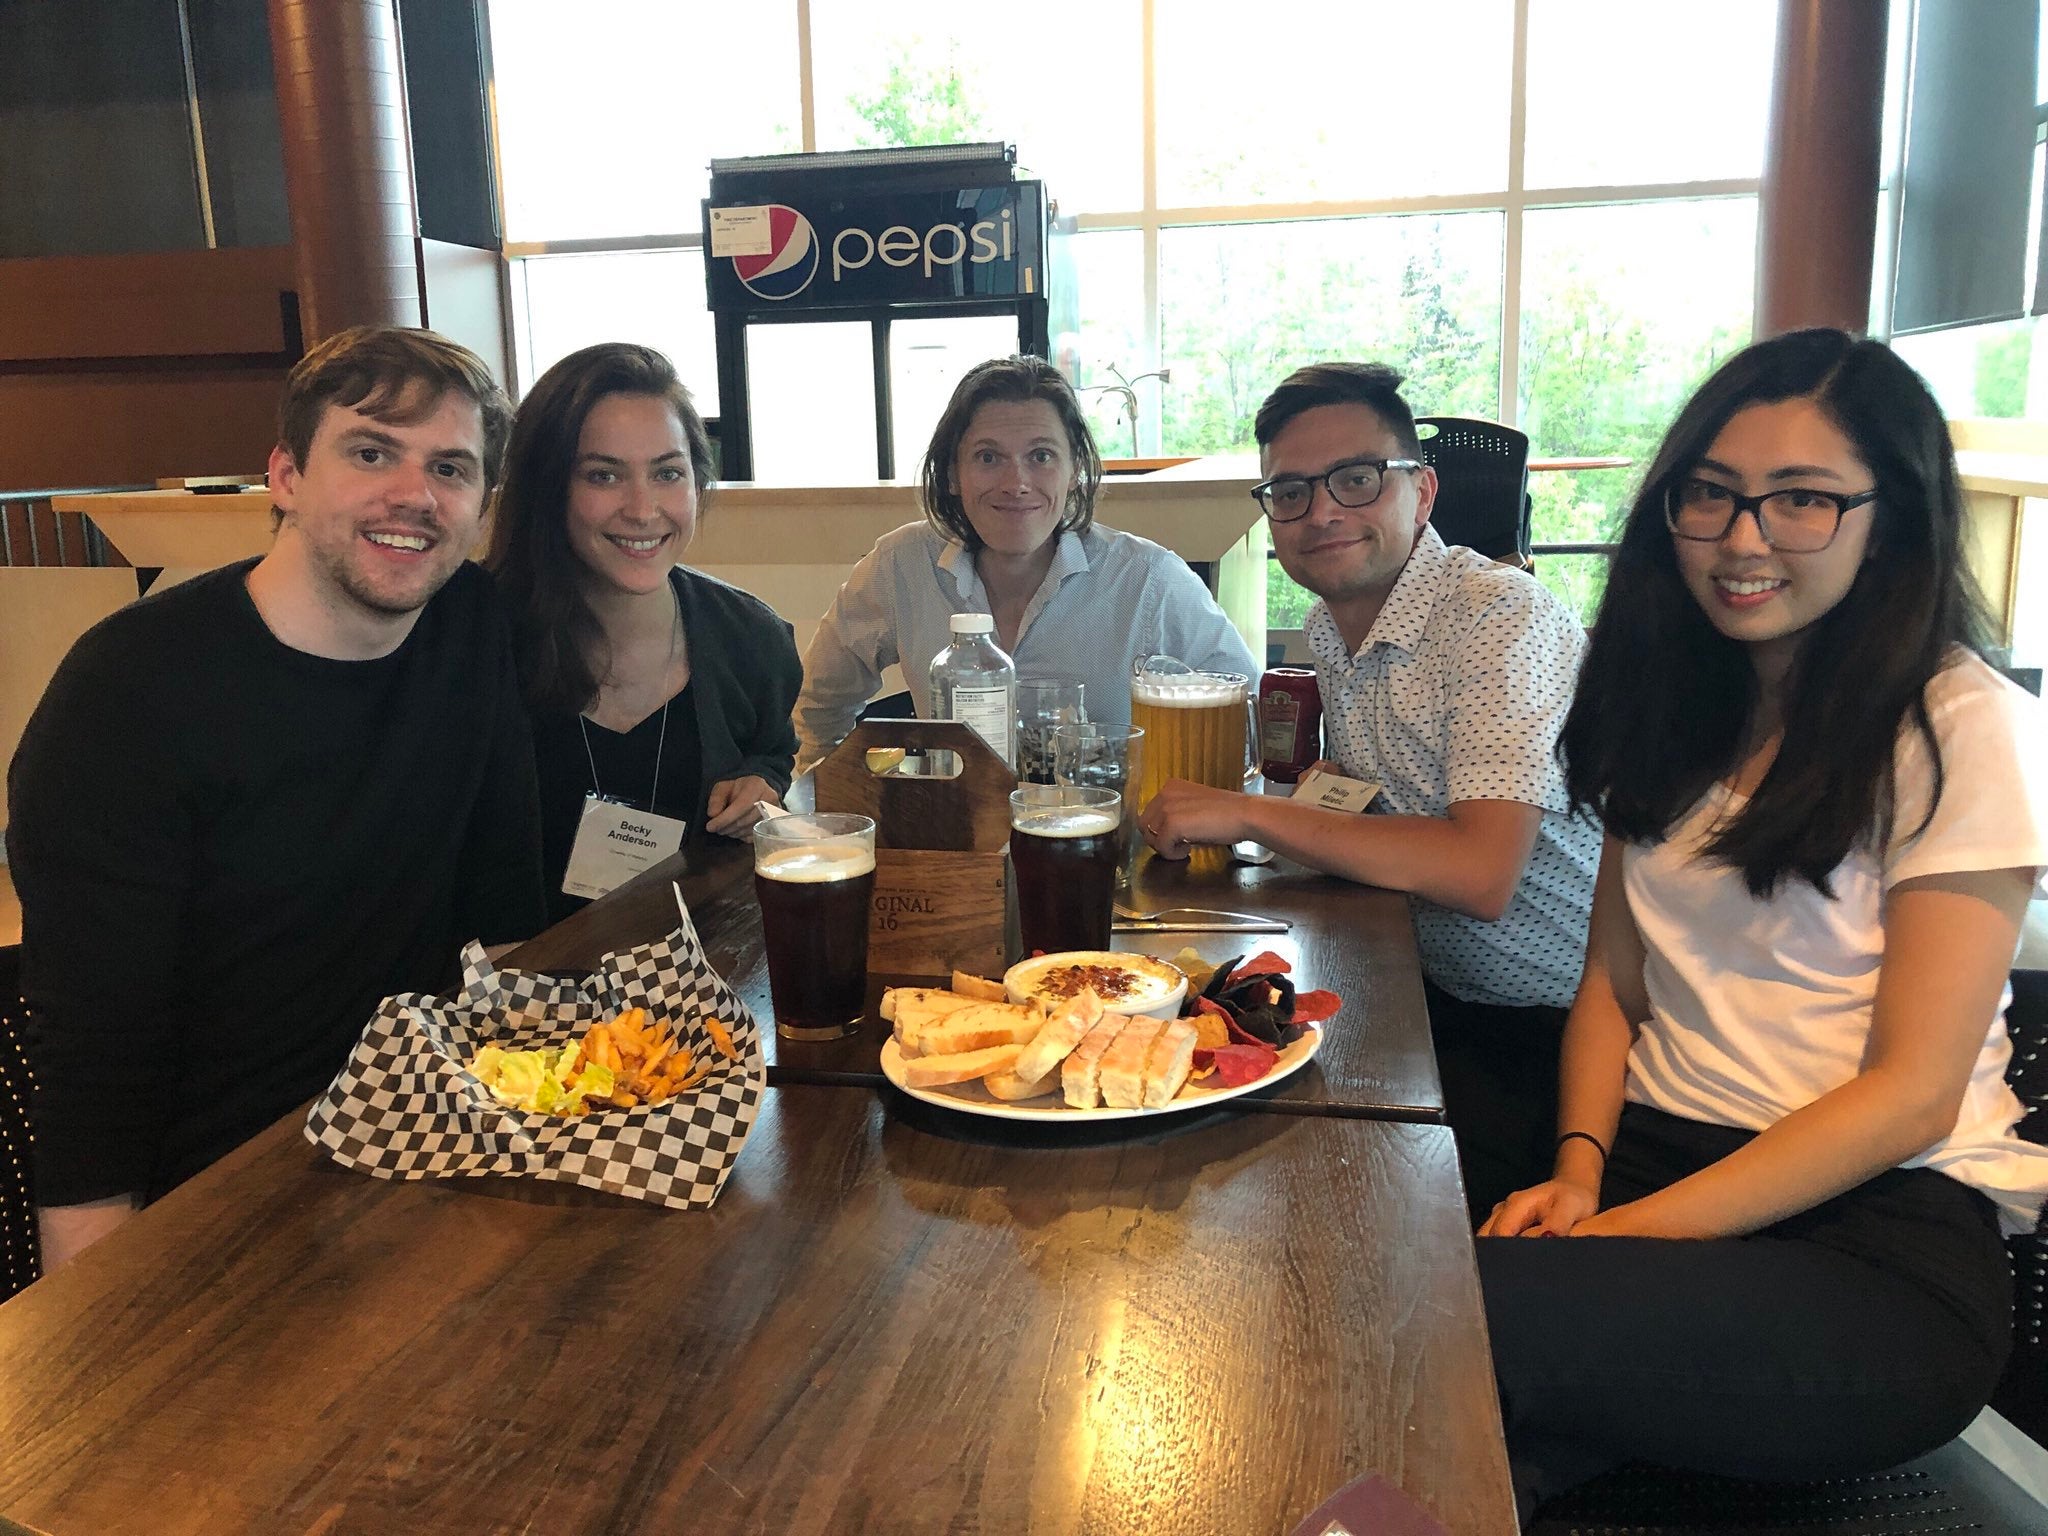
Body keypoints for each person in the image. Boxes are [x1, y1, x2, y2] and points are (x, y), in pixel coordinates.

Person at [1475, 329, 2048, 1521]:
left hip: (1871, 1242)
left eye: (1800, 501)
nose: (1742, 540)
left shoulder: (1955, 723)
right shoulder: (1668, 702)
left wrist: (1619, 1239)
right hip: (1648, 1165)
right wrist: (1580, 1172)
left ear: (1885, 517)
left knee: (1442, 1319)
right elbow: (1610, 990)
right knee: (1439, 1429)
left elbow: (1909, 1096)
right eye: (1712, 496)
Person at [8, 324, 546, 1273]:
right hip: (219, 1199)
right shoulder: (131, 690)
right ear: (286, 476)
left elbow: (501, 915)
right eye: (372, 452)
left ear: (482, 507)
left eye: (451, 469)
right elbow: (95, 1043)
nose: (414, 496)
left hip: (425, 1145)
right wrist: (90, 1334)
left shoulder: (467, 625)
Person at [1139, 362, 1599, 1216]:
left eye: (1356, 480)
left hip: (1550, 1035)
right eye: (1291, 491)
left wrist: (1249, 810)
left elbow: (1480, 871)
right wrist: (1328, 798)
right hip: (1417, 989)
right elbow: (1395, 798)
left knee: (1283, 1191)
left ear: (1420, 492)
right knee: (1197, 1107)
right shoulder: (1330, 624)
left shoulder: (1501, 614)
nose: (1322, 512)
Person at [793, 355, 1259, 768]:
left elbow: (1251, 711)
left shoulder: (1148, 580)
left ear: (1075, 468)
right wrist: (840, 796)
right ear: (954, 474)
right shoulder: (902, 565)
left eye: (1041, 456)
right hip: (956, 847)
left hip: (1104, 844)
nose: (1016, 482)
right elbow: (818, 703)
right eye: (988, 456)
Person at [487, 343, 800, 924]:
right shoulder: (473, 642)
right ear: (546, 487)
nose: (642, 508)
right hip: (516, 990)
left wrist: (762, 785)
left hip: (695, 986)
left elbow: (772, 750)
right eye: (603, 475)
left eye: (667, 473)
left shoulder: (751, 641)